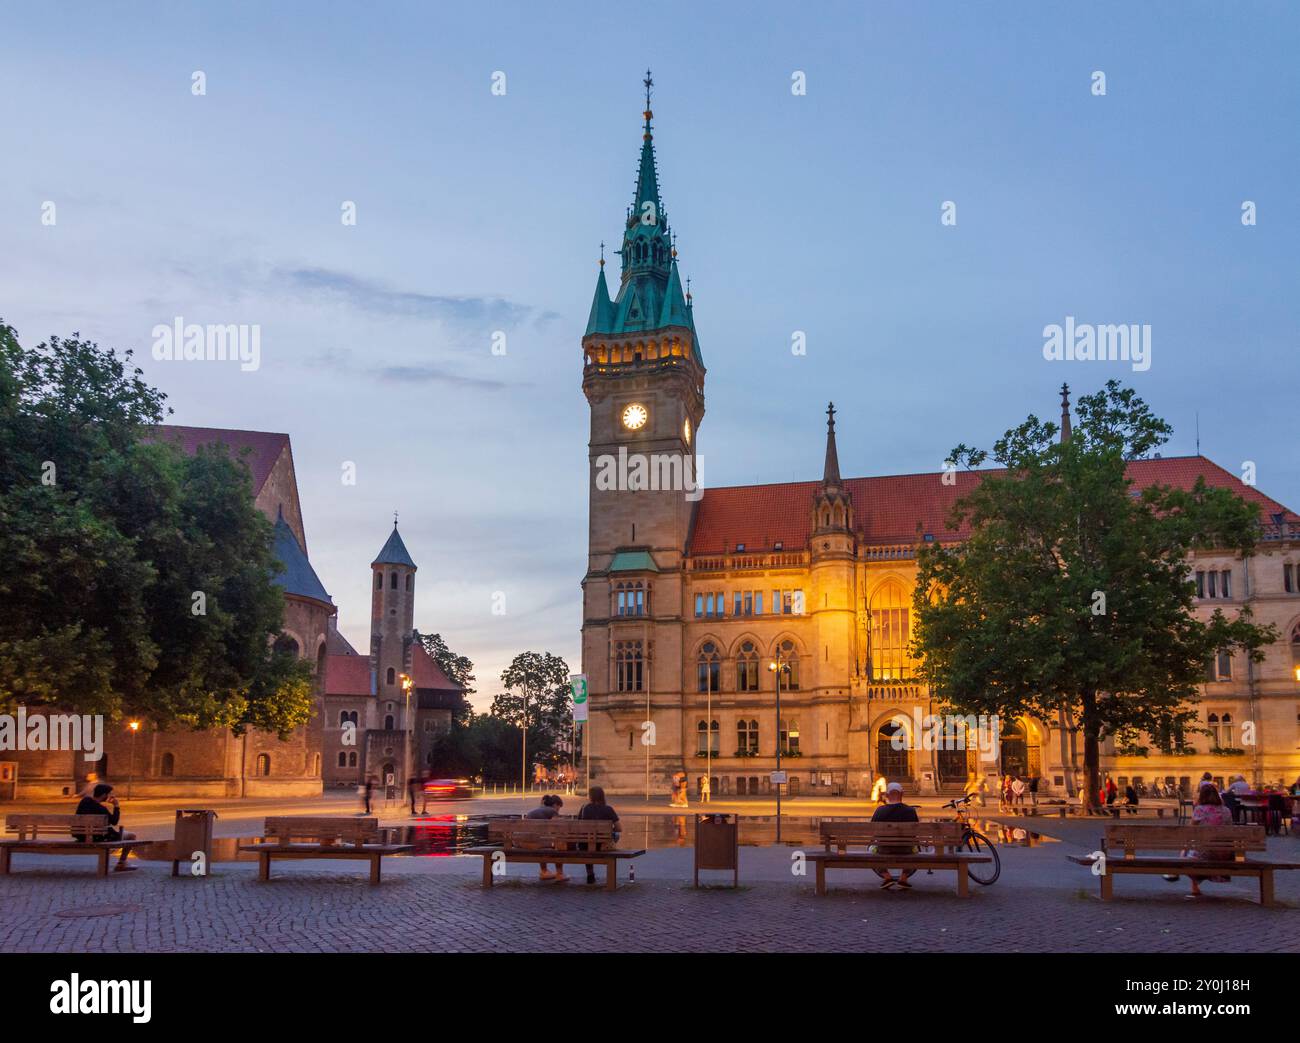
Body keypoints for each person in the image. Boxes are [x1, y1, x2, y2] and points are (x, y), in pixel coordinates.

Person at [1183, 785, 1234, 898]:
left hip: (1204, 853)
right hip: (1223, 853)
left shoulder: (1199, 810)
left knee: (1186, 851)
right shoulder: (1226, 811)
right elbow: (1230, 831)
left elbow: (1190, 831)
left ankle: (1194, 886)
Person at [73, 783, 136, 872]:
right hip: (100, 838)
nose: (110, 796)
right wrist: (116, 806)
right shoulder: (102, 809)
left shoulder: (84, 801)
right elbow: (114, 821)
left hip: (81, 836)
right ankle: (122, 863)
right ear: (103, 795)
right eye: (108, 794)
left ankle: (122, 863)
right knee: (132, 836)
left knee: (125, 834)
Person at [870, 782, 919, 890]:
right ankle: (903, 878)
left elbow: (872, 830)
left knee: (871, 851)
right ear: (902, 794)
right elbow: (915, 832)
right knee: (916, 851)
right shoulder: (910, 811)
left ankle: (887, 877)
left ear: (887, 796)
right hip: (906, 849)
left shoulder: (880, 811)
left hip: (884, 849)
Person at [577, 786, 621, 885]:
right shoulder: (608, 809)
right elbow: (619, 828)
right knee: (615, 835)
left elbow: (578, 826)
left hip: (585, 845)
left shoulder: (584, 808)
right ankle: (610, 877)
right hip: (603, 845)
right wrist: (610, 830)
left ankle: (590, 873)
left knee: (588, 842)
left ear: (591, 797)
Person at [525, 794, 568, 881]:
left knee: (543, 842)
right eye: (559, 807)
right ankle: (559, 873)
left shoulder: (534, 810)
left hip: (522, 842)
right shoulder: (552, 811)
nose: (559, 810)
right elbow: (556, 829)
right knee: (560, 844)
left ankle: (544, 871)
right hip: (535, 843)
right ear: (555, 805)